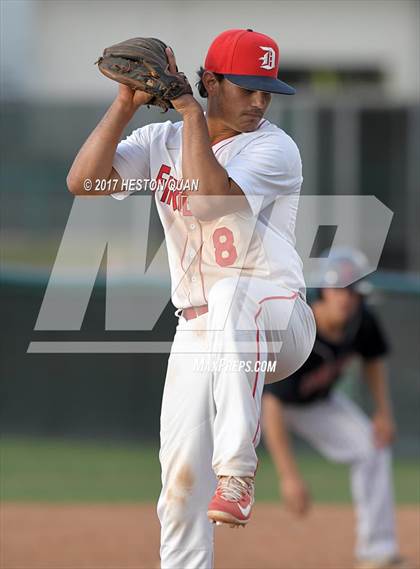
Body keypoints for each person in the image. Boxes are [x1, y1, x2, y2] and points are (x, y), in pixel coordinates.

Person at [67, 28, 316, 569]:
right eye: (247, 87)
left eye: (266, 90)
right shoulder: (159, 142)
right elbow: (85, 183)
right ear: (209, 81)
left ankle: (238, 472)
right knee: (179, 487)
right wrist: (124, 104)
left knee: (232, 294)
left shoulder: (273, 146)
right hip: (199, 327)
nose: (259, 100)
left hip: (278, 320)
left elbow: (208, 203)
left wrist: (189, 115)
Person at [262, 249, 408, 569]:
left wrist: (384, 412)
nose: (346, 297)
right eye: (338, 289)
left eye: (353, 290)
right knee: (217, 463)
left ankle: (377, 552)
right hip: (262, 406)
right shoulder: (299, 331)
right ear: (322, 292)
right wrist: (289, 477)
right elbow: (271, 405)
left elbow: (373, 360)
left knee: (373, 446)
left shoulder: (362, 320)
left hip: (316, 404)